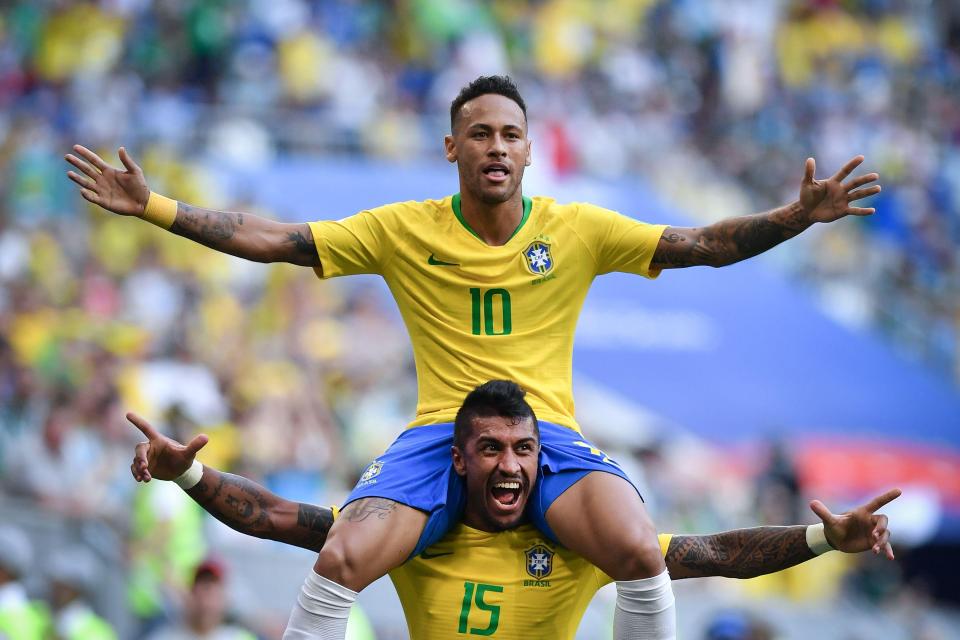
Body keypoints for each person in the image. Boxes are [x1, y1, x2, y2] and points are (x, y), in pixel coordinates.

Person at [67, 75, 882, 639]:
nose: (497, 147)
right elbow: (276, 239)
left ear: (530, 152)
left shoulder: (579, 228)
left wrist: (794, 217)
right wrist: (159, 207)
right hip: (442, 437)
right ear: (451, 147)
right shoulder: (401, 228)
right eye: (481, 134)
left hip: (547, 435)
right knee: (342, 554)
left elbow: (702, 243)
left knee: (639, 549)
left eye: (511, 135)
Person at [127, 381, 899, 639]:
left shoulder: (581, 545)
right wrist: (189, 476)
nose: (508, 464)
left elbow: (716, 554)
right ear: (459, 460)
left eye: (522, 450)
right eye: (490, 449)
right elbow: (274, 517)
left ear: (541, 459)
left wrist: (822, 539)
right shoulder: (413, 532)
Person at [145, 558, 257, 640]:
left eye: (214, 593)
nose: (207, 601)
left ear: (225, 599)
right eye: (203, 590)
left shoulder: (240, 637)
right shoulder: (163, 636)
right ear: (190, 596)